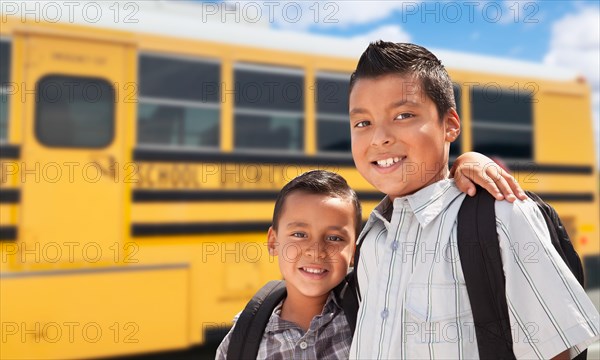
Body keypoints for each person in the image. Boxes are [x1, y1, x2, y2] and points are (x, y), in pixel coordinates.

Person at [348, 41, 599, 359]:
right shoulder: (371, 241)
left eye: (404, 115)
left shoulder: (501, 218)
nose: (378, 137)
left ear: (450, 125)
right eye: (362, 123)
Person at [216, 159, 526, 359]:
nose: (316, 250)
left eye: (335, 238)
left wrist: (465, 161)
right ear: (273, 241)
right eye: (299, 235)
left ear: (355, 251)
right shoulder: (243, 339)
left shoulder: (372, 314)